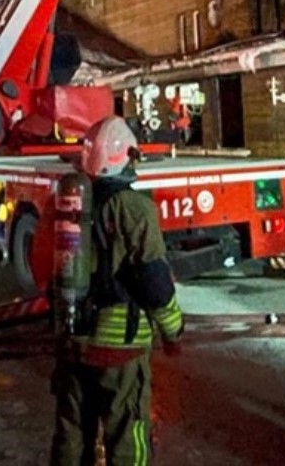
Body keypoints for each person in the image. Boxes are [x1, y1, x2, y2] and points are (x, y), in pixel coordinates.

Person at [50, 115, 185, 466]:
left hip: (72, 339)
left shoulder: (71, 203)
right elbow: (154, 281)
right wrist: (173, 331)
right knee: (128, 438)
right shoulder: (134, 208)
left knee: (71, 435)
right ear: (125, 157)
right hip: (119, 348)